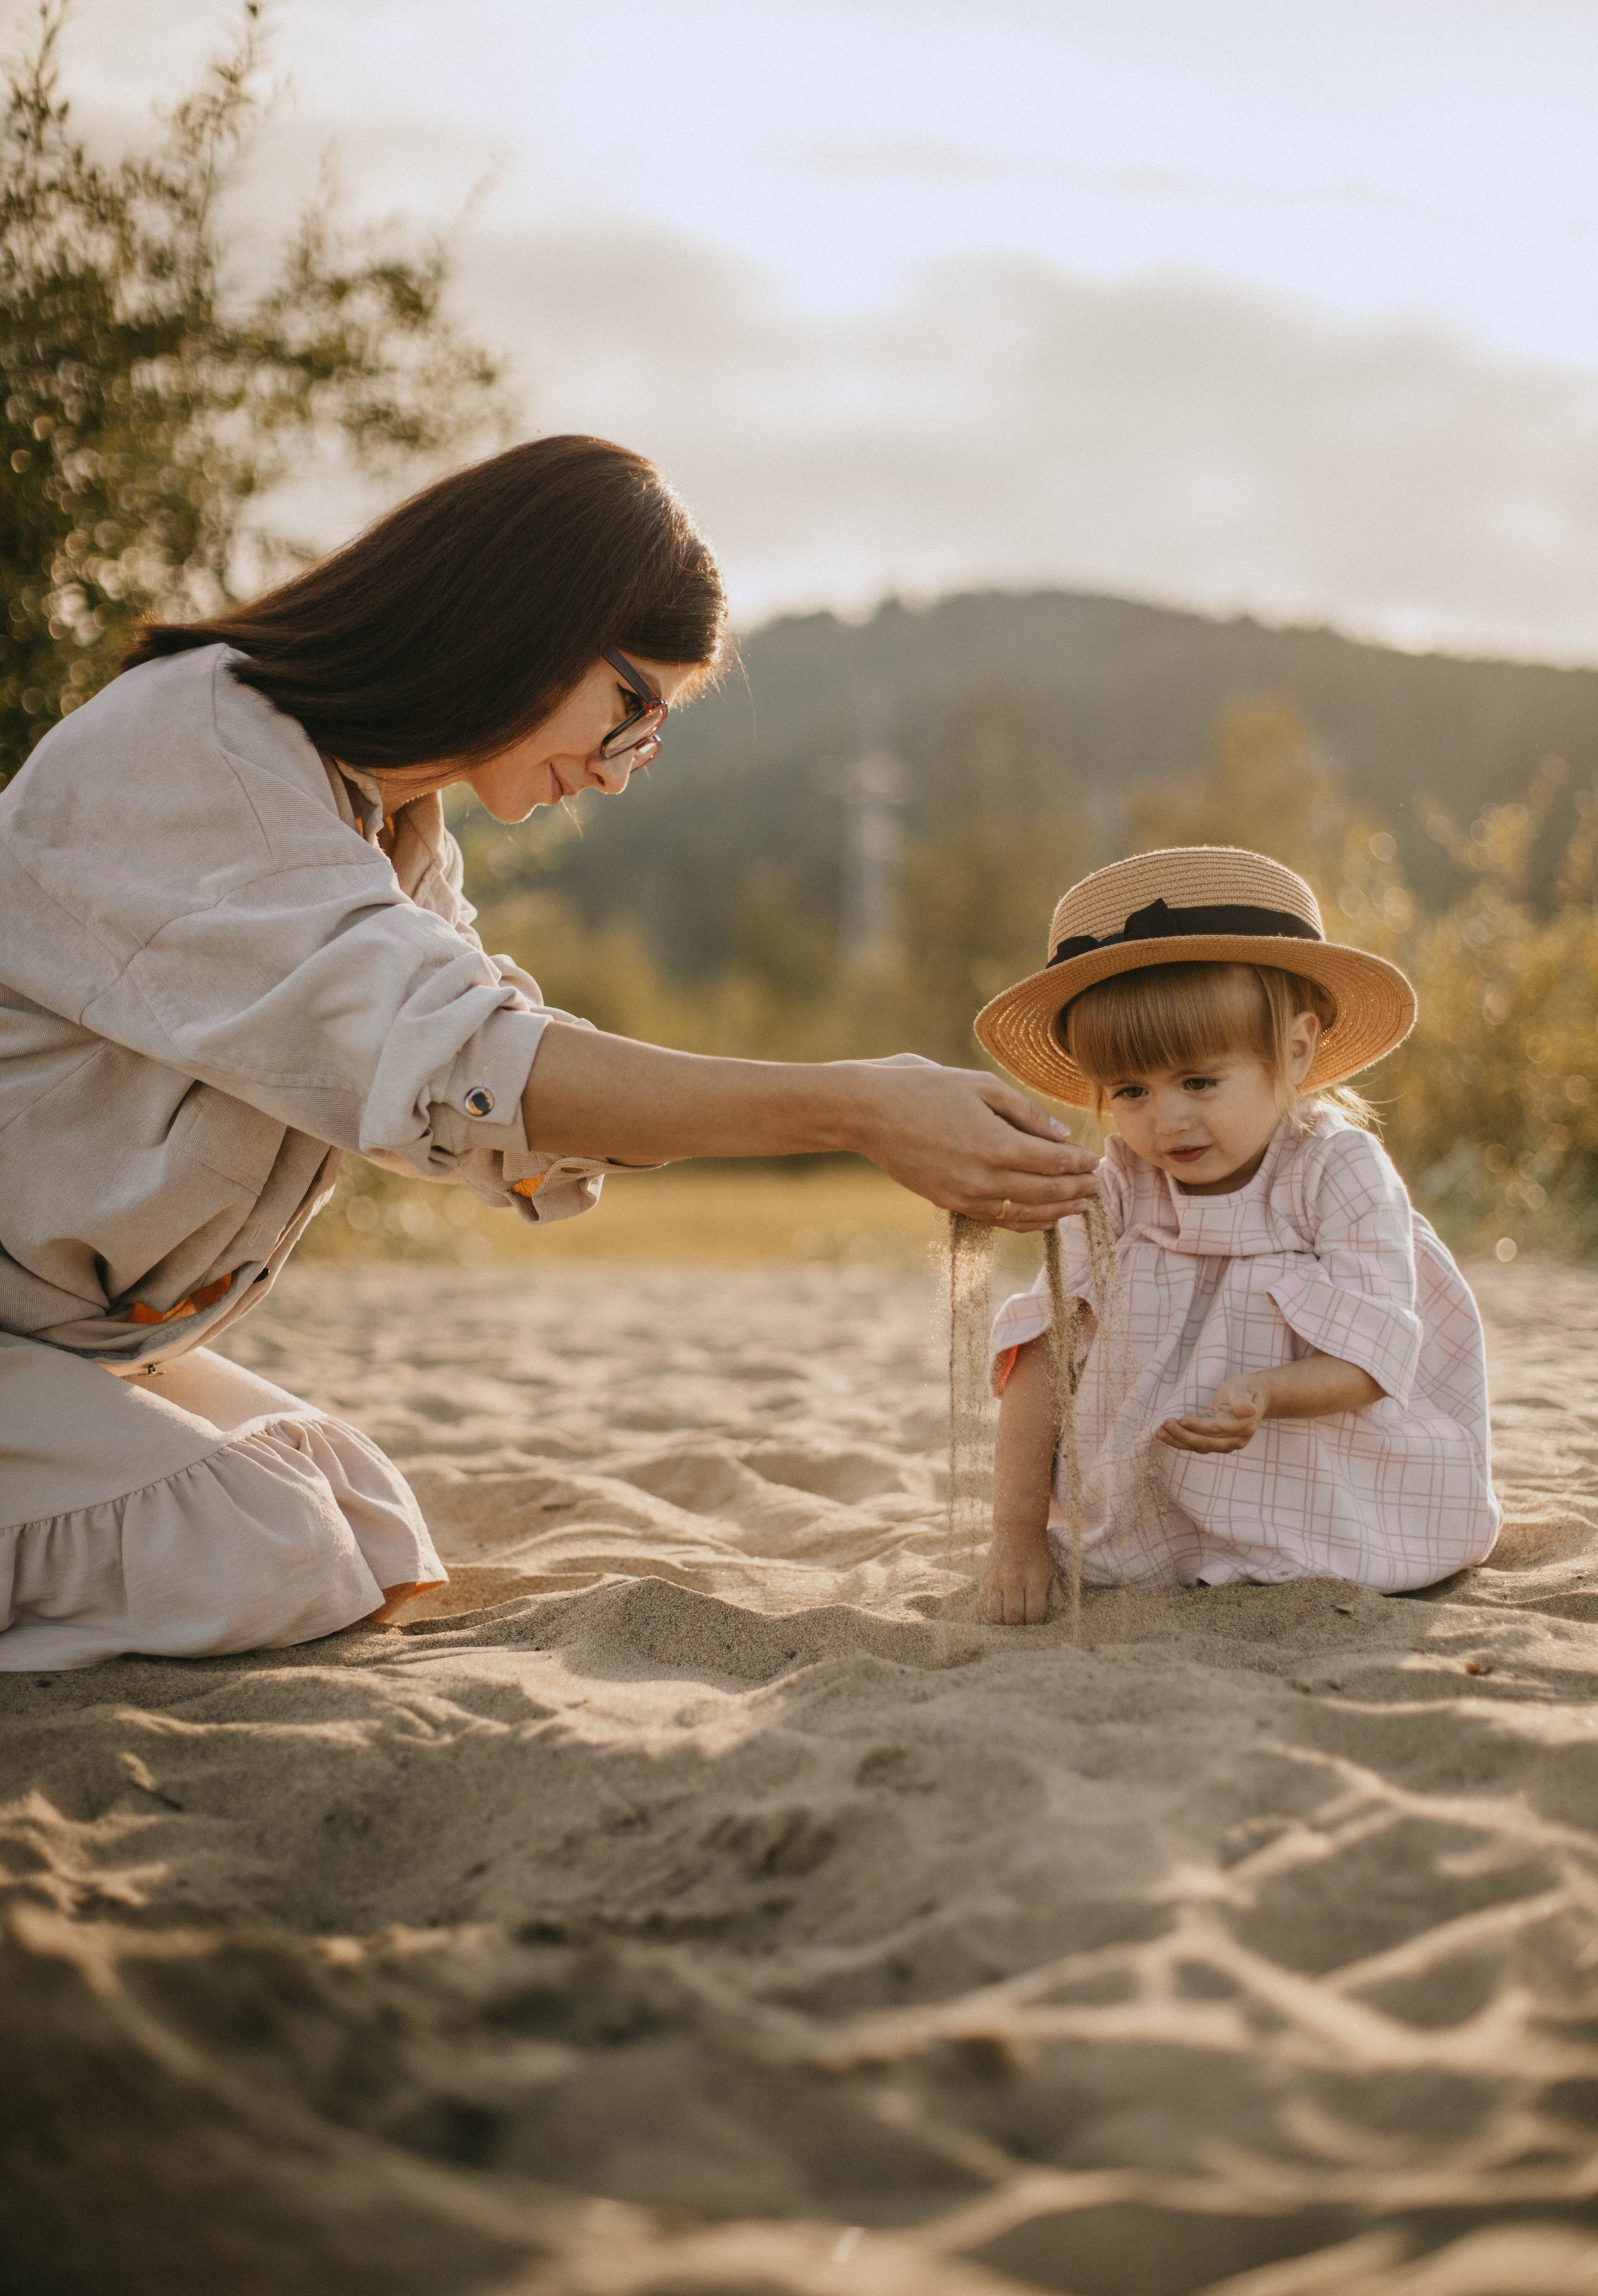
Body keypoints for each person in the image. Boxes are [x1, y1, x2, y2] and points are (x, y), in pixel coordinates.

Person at [0, 434, 1096, 1671]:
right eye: (633, 708)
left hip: (74, 1343)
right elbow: (468, 1061)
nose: (624, 771)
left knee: (359, 1518)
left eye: (654, 735)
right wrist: (850, 1109)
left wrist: (863, 1106)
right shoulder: (193, 751)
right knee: (268, 1548)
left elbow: (508, 1084)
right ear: (524, 618)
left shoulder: (390, 823)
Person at [971, 845, 1501, 1621]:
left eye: (1199, 1082)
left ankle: (1288, 1545)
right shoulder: (1115, 1188)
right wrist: (1014, 1534)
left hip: (1330, 1488)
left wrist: (1265, 1392)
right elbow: (1040, 1354)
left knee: (1338, 1515)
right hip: (1154, 1515)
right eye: (1130, 1090)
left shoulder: (1335, 1170)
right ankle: (1181, 1540)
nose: (1167, 1119)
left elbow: (1375, 1354)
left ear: (1292, 1050)